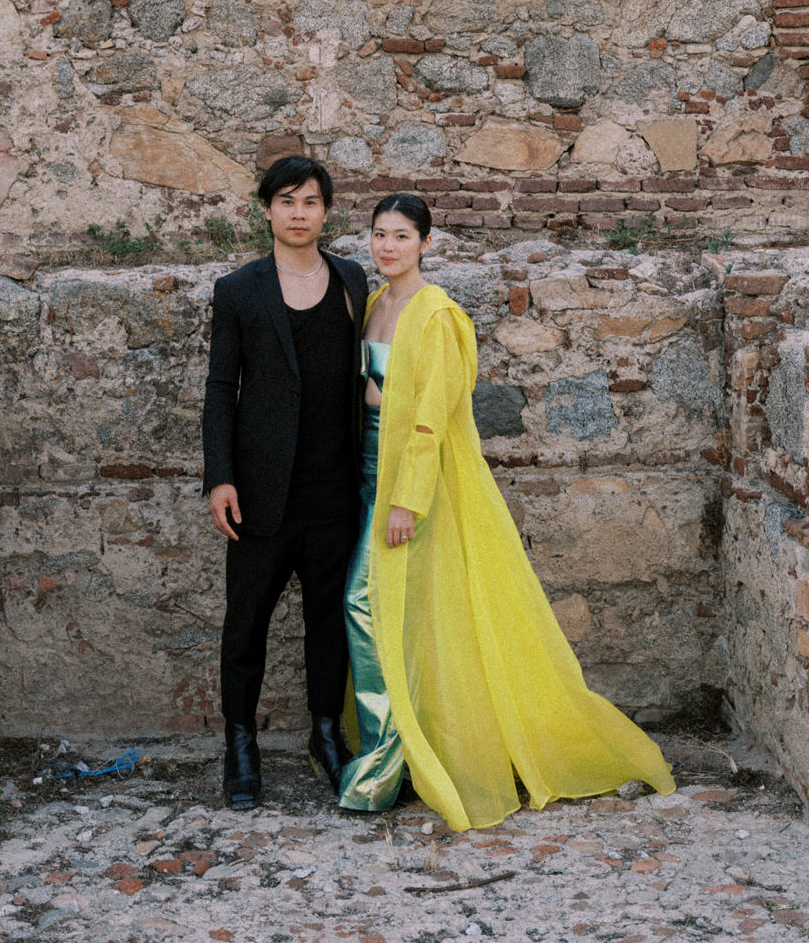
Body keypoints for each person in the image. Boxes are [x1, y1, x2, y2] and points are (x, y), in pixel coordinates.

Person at [338, 192, 676, 829]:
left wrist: (409, 499)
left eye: (402, 236)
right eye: (379, 235)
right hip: (366, 472)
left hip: (413, 483)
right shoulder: (377, 303)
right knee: (409, 618)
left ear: (426, 244)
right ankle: (412, 748)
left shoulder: (437, 314)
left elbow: (432, 417)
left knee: (364, 602)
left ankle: (383, 766)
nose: (388, 246)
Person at [202, 156, 368, 810]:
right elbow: (221, 388)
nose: (299, 213)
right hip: (260, 492)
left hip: (335, 490)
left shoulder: (352, 280)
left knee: (330, 623)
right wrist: (220, 478)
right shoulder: (238, 290)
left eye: (310, 202)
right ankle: (240, 745)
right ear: (267, 209)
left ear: (326, 212)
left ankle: (326, 736)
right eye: (287, 201)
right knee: (245, 626)